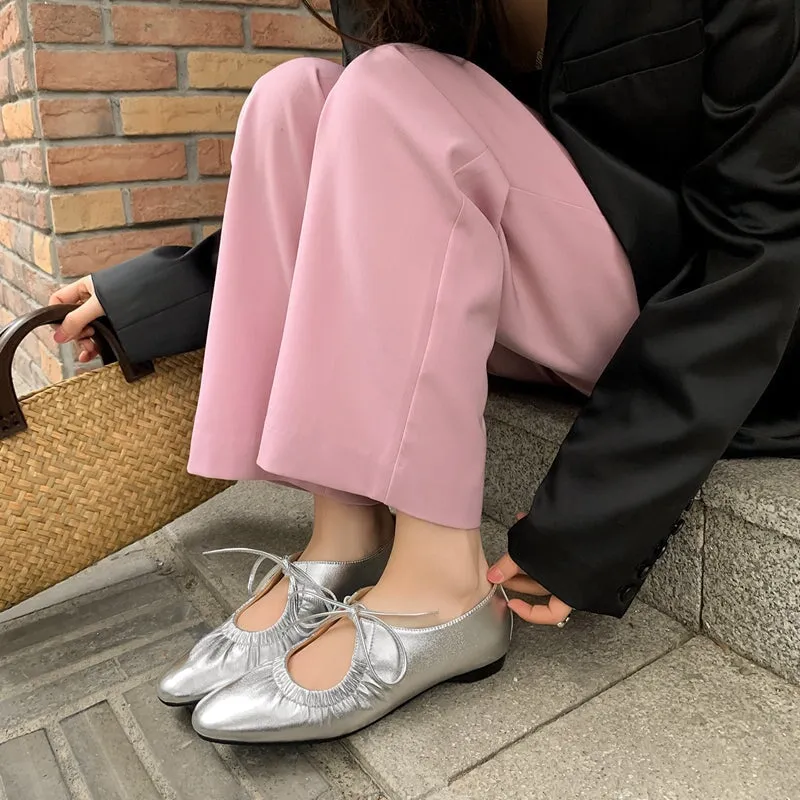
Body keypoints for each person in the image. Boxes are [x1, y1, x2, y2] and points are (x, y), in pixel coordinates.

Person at [49, 0, 800, 744]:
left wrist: (589, 521)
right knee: (296, 99)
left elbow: (766, 238)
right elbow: (362, 183)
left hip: (670, 313)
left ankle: (441, 582)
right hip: (519, 291)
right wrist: (140, 297)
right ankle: (343, 527)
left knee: (388, 85)